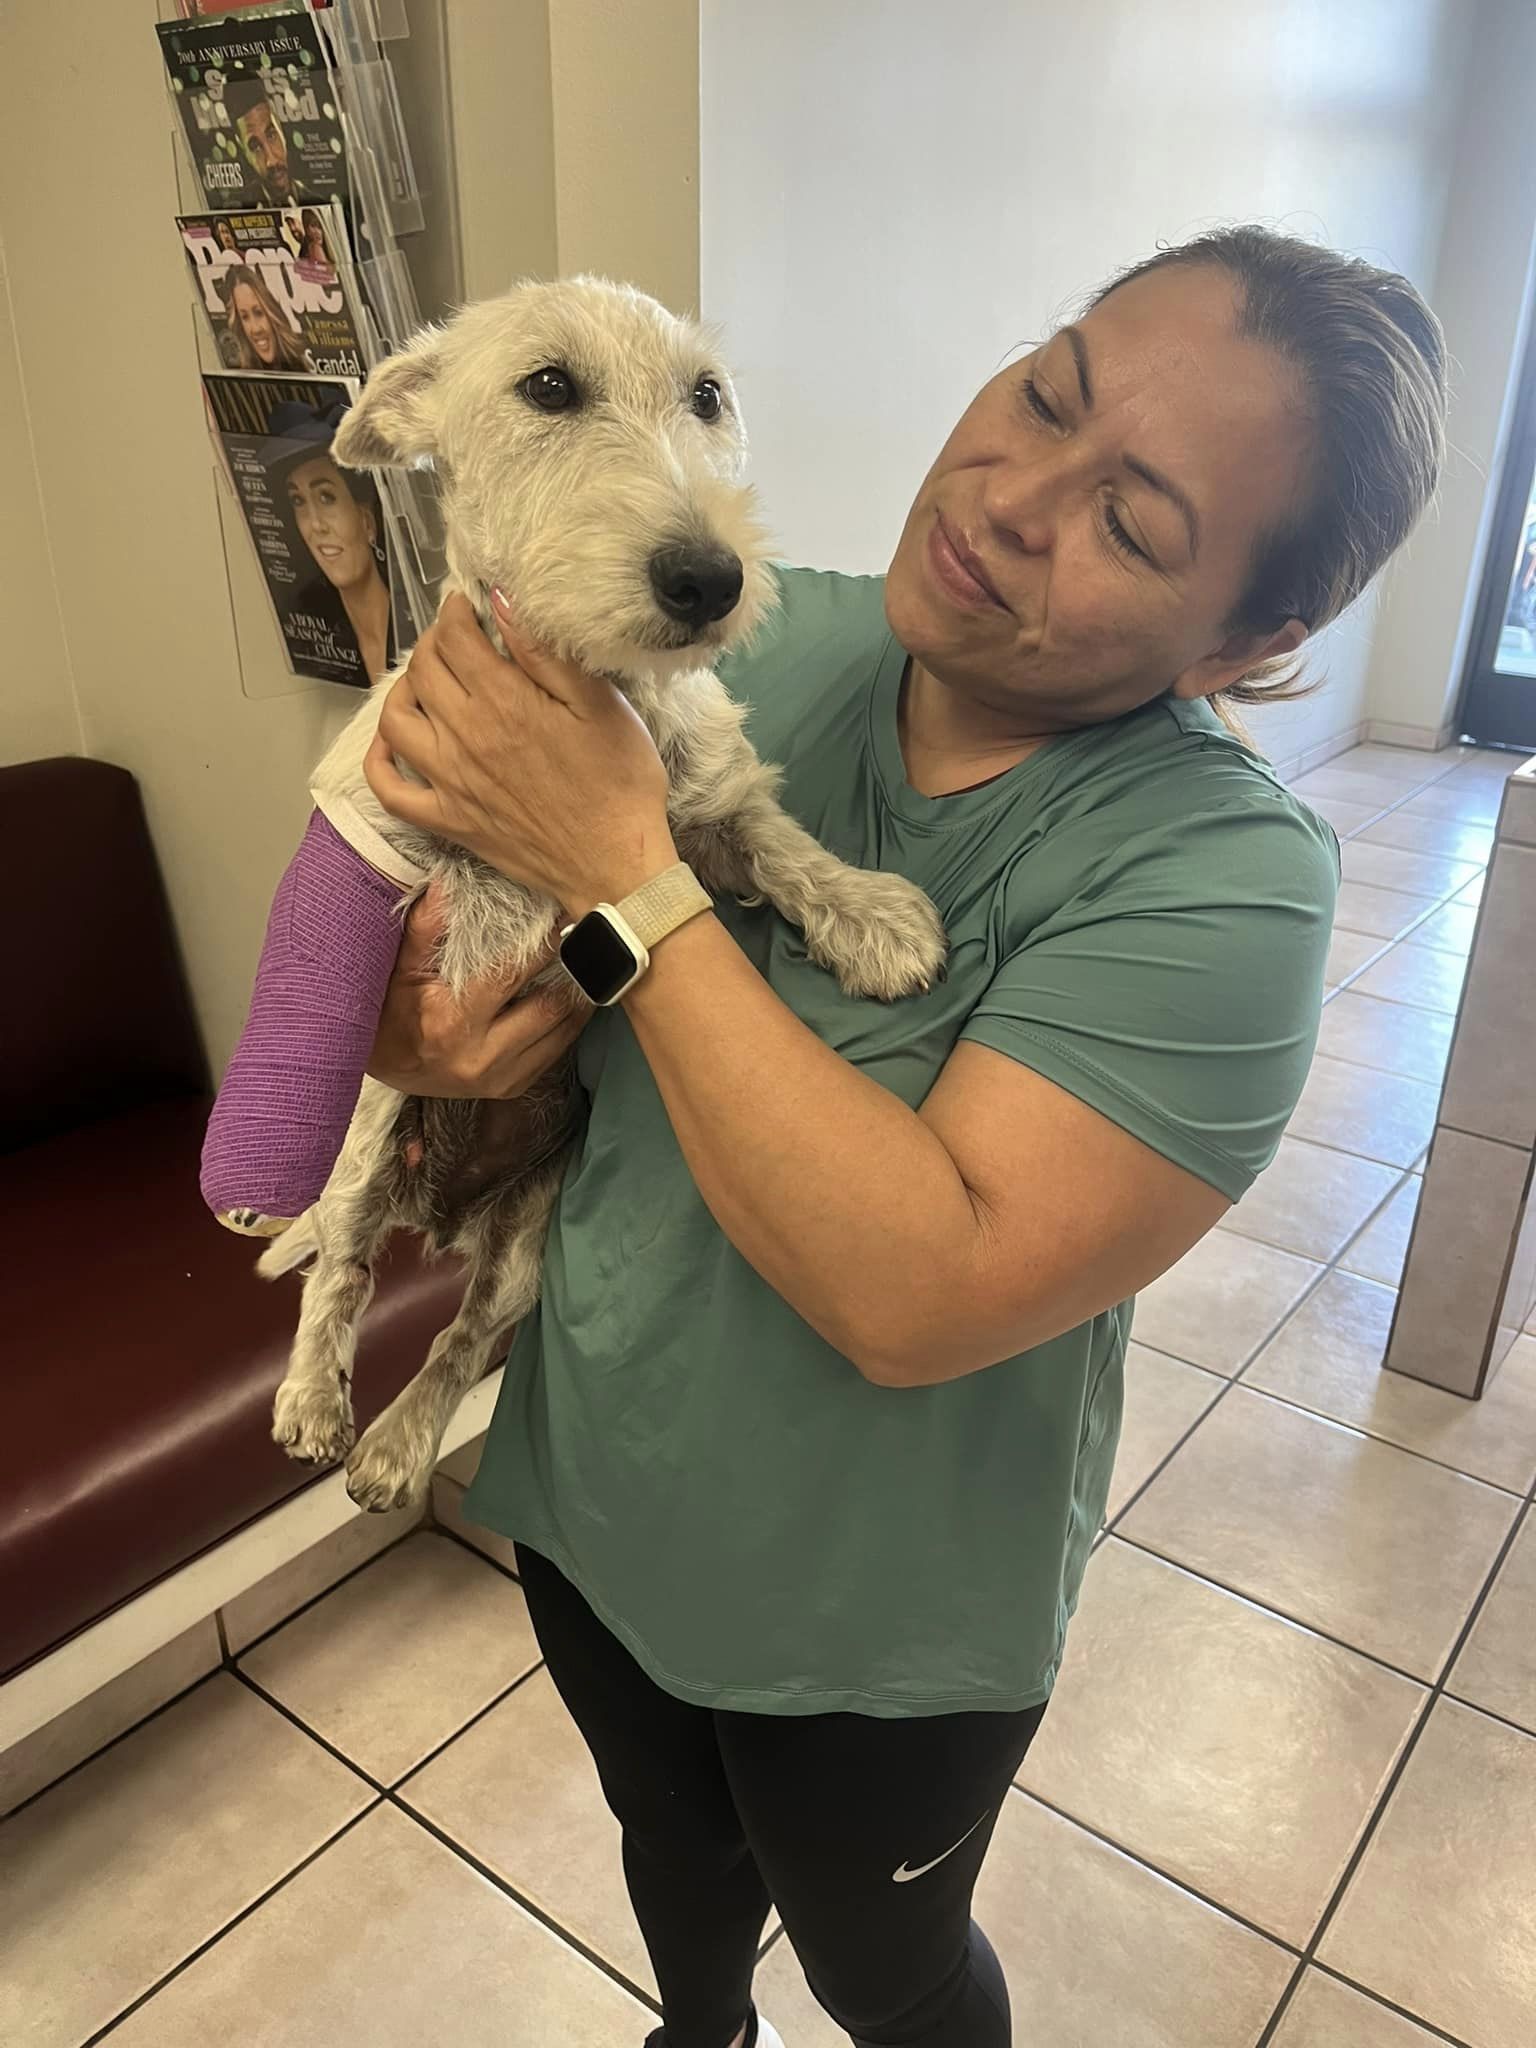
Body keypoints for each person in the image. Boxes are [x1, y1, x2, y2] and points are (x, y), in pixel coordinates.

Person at [360, 229, 1447, 2048]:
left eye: (1135, 522)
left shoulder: (1223, 880)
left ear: (1252, 639)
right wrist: (423, 1029)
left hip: (874, 1625)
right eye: (1046, 390)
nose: (1014, 496)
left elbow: (918, 1288)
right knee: (669, 1851)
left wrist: (621, 873)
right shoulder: (748, 627)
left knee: (888, 1967)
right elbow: (432, 932)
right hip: (599, 1484)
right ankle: (698, 2033)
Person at [282, 447, 392, 685]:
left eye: (326, 498)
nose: (315, 525)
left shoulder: (417, 630)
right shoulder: (317, 649)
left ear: (368, 522)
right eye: (298, 501)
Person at [221, 268, 314, 374]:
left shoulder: (301, 363)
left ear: (273, 312)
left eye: (259, 313)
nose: (256, 329)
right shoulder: (241, 372)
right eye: (245, 317)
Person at [225, 78, 294, 206]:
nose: (271, 161)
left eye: (272, 135)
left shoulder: (319, 197)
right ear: (243, 149)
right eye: (255, 147)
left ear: (281, 129)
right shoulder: (241, 206)